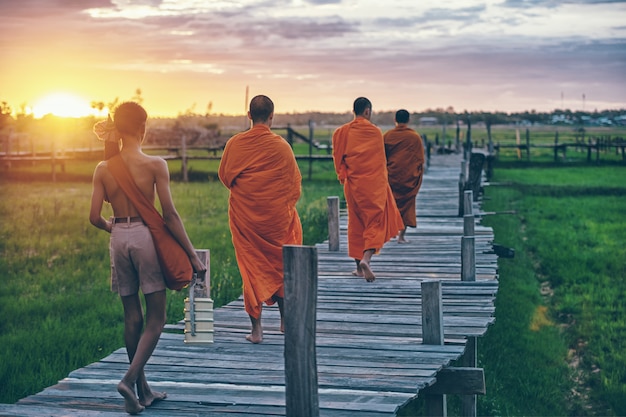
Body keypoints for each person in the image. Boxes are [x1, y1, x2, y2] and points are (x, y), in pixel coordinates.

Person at [89, 102, 206, 415]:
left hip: (118, 239)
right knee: (156, 317)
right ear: (143, 128)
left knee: (132, 316)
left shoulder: (103, 168)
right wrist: (193, 256)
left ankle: (143, 389)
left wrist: (112, 226)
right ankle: (128, 381)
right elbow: (170, 215)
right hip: (144, 238)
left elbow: (93, 217)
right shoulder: (156, 164)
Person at [218, 95, 302, 344]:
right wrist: (280, 205)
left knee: (252, 270)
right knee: (281, 267)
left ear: (249, 115)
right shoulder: (282, 147)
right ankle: (286, 322)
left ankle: (256, 330)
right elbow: (294, 185)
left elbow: (225, 177)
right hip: (277, 222)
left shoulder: (235, 144)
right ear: (272, 116)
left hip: (247, 220)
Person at [332, 97, 404, 282]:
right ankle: (366, 259)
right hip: (373, 186)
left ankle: (358, 269)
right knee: (375, 222)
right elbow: (380, 162)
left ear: (354, 111)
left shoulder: (342, 132)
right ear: (367, 111)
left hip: (353, 186)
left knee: (356, 224)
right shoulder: (375, 133)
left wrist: (344, 176)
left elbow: (338, 160)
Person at [383, 109, 425, 243]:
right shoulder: (414, 137)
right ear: (408, 120)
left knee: (391, 204)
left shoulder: (388, 136)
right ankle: (401, 236)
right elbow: (420, 159)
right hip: (409, 176)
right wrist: (416, 174)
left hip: (391, 175)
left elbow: (382, 157)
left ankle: (391, 232)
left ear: (395, 120)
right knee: (407, 205)